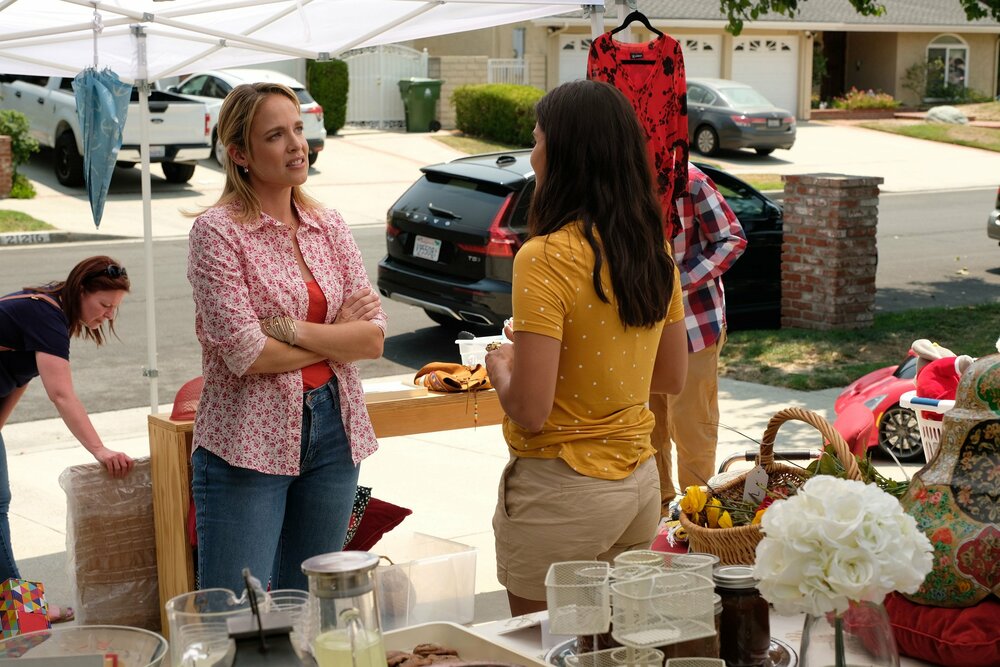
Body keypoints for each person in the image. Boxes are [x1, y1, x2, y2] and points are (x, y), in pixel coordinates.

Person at [484, 79, 688, 616]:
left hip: (562, 490)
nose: (532, 154)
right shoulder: (653, 250)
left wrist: (503, 365)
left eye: (536, 139)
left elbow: (530, 409)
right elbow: (671, 376)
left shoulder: (544, 256)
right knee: (614, 644)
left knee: (541, 647)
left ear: (564, 152)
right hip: (639, 485)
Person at [187, 81, 386, 593]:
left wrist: (293, 329)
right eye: (275, 135)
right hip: (247, 440)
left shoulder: (328, 224)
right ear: (240, 153)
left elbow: (372, 340)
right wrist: (337, 334)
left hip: (336, 429)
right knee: (239, 611)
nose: (297, 144)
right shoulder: (217, 232)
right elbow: (248, 353)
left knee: (316, 600)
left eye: (298, 129)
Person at [0, 255, 135, 623]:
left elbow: (19, 377)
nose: (109, 315)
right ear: (81, 291)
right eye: (104, 304)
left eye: (115, 308)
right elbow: (61, 394)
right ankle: (21, 613)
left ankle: (17, 609)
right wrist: (99, 449)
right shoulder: (45, 314)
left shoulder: (48, 312)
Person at [650, 164, 747, 511]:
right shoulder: (620, 176)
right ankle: (658, 515)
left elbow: (732, 239)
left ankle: (698, 518)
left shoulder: (690, 182)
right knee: (648, 431)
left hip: (694, 325)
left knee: (692, 431)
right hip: (641, 328)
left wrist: (679, 281)